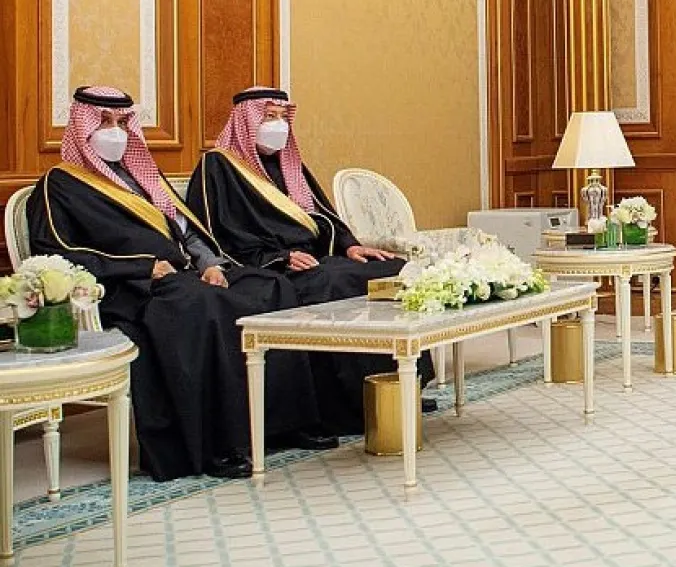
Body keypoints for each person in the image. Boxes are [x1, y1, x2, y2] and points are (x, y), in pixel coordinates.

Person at [28, 86, 337, 481]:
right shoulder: (59, 185)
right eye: (104, 123)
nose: (116, 132)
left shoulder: (142, 175)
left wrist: (210, 265)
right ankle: (214, 444)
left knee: (271, 288)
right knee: (201, 306)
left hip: (185, 276)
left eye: (122, 122)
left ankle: (282, 423)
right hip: (130, 288)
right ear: (82, 128)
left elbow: (186, 231)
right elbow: (58, 253)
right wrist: (143, 267)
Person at [187, 87, 430, 433]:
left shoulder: (290, 164)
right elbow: (218, 232)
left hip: (315, 256)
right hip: (270, 264)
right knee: (333, 283)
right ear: (246, 121)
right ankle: (350, 405)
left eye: (282, 118)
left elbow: (322, 213)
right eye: (268, 117)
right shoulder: (218, 166)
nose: (278, 126)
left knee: (392, 271)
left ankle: (401, 385)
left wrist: (349, 245)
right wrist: (280, 257)